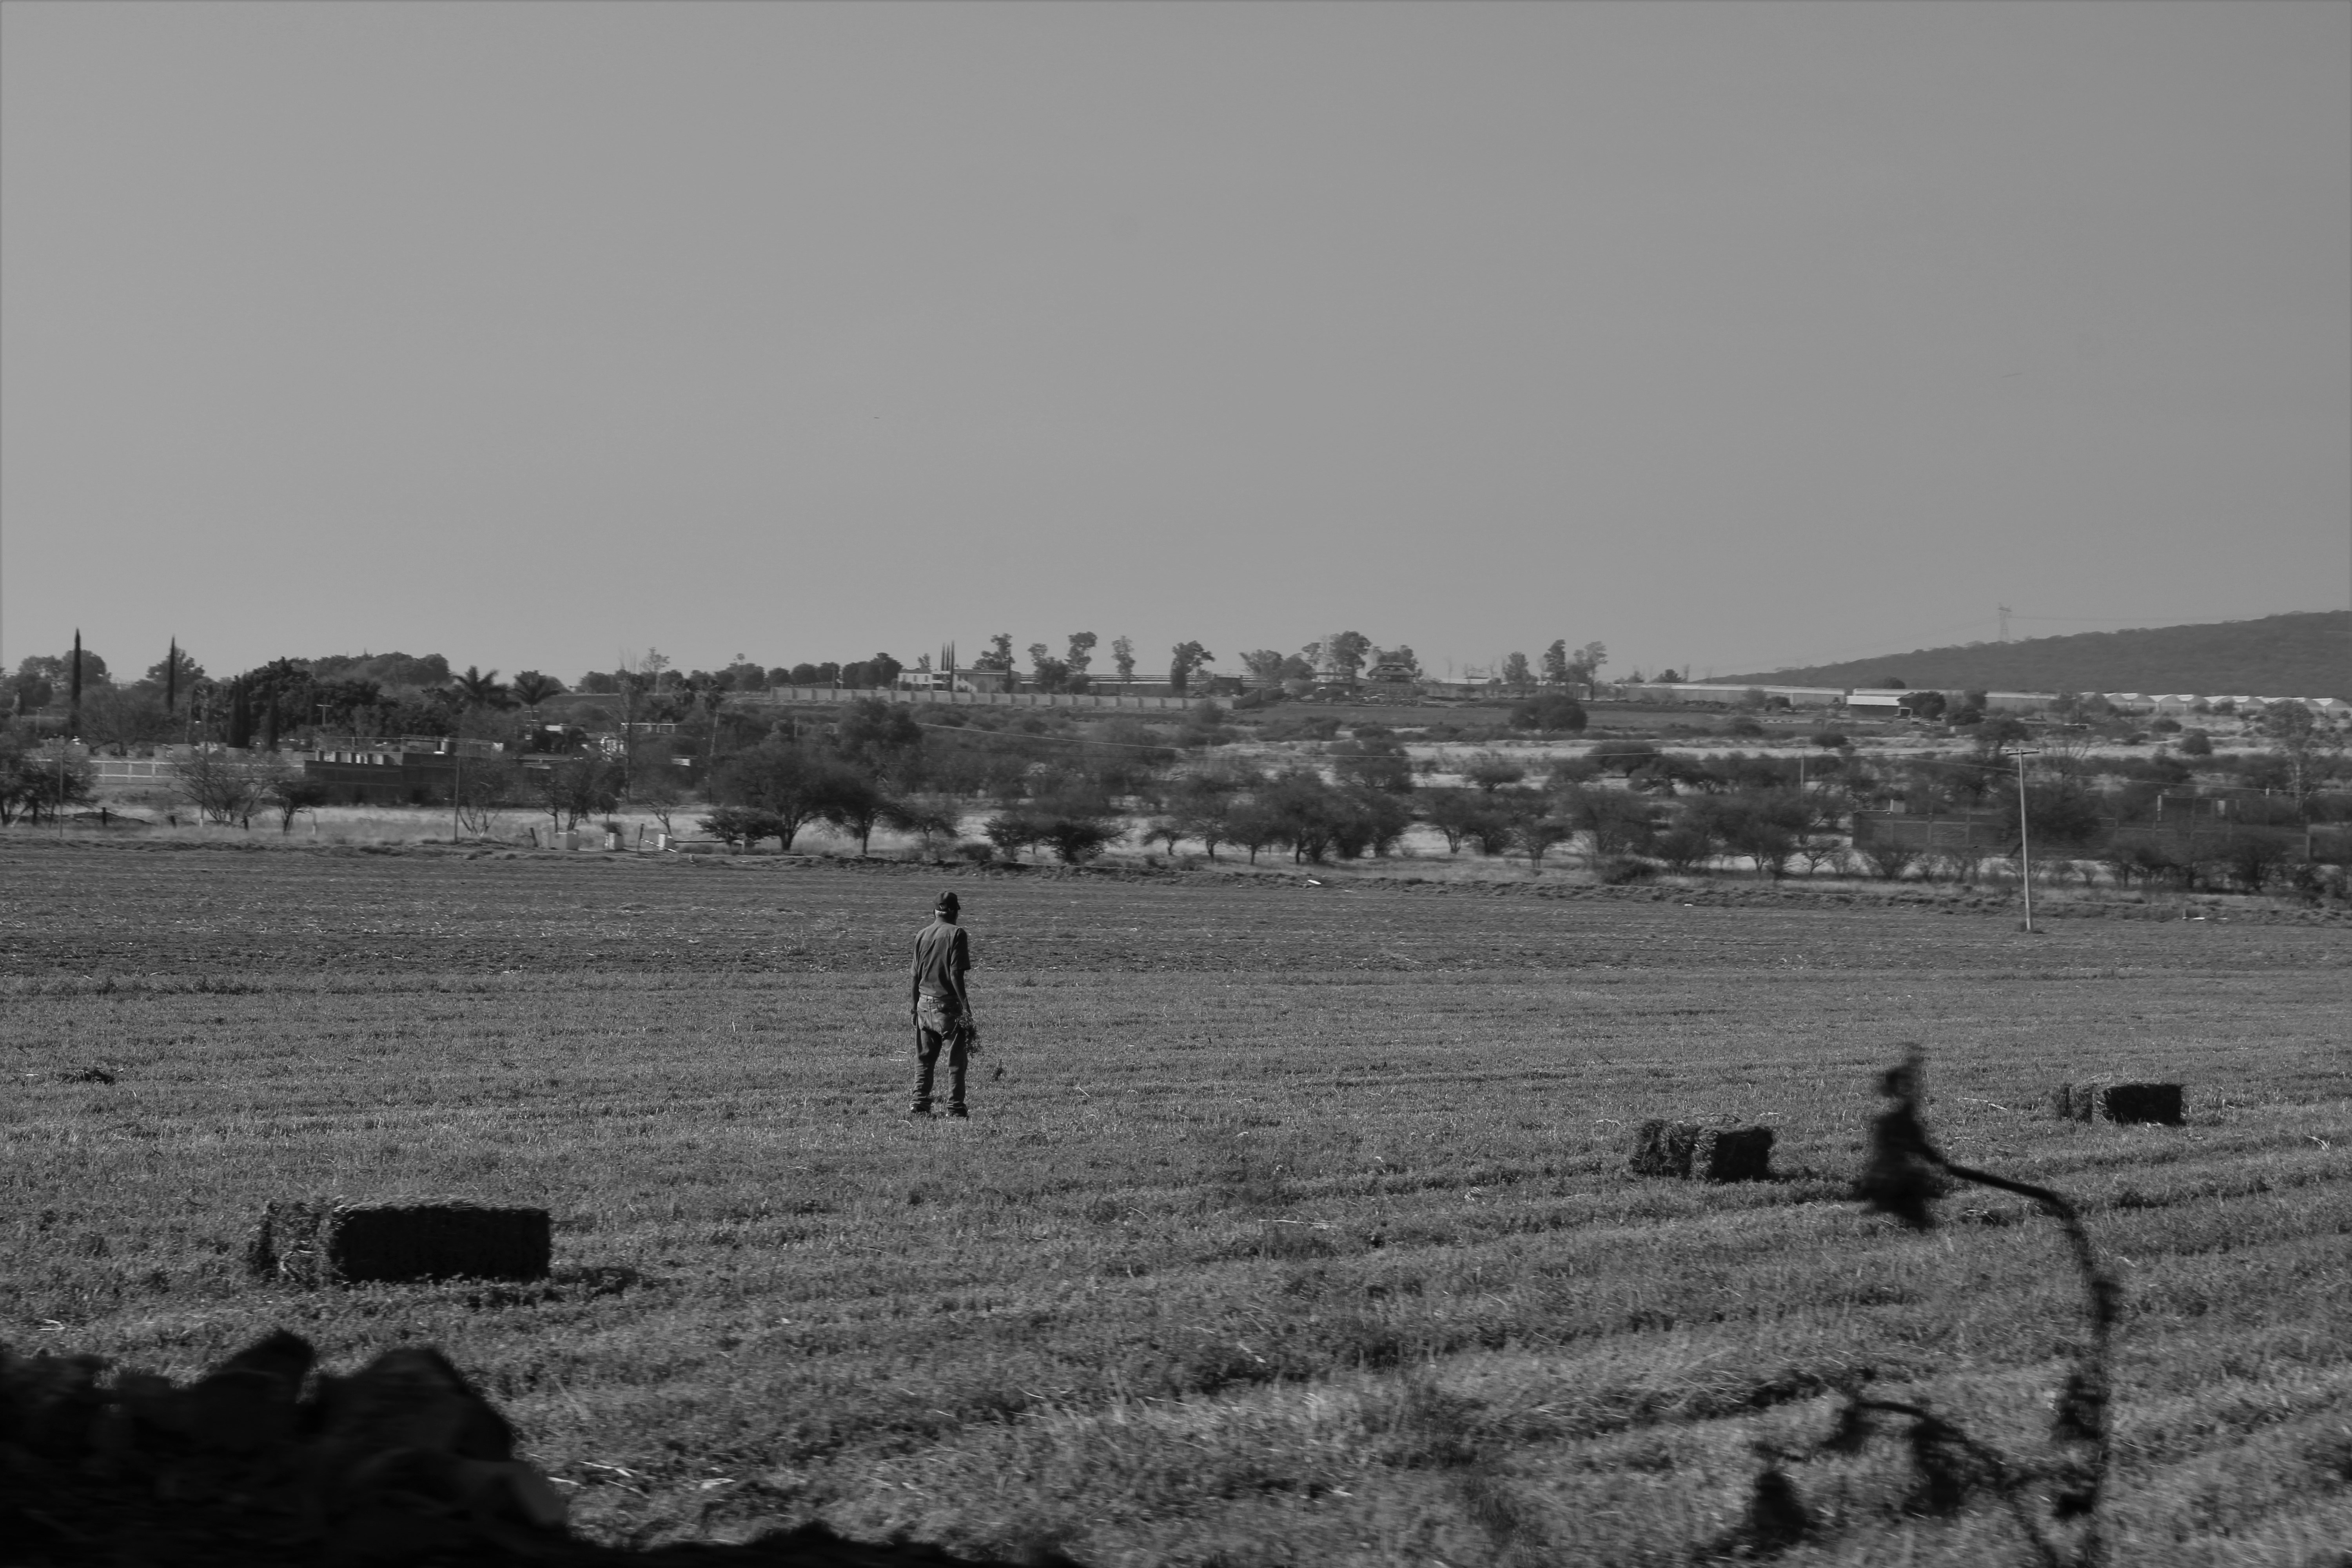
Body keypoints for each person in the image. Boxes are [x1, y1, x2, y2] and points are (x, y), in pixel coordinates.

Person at [907, 891, 977, 1118]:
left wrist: (914, 1006)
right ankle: (955, 1108)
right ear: (956, 912)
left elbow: (915, 976)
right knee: (956, 1062)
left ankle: (919, 1104)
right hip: (947, 1008)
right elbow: (956, 974)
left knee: (924, 1060)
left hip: (924, 1006)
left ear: (934, 912)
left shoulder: (922, 934)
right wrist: (966, 1009)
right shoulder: (957, 933)